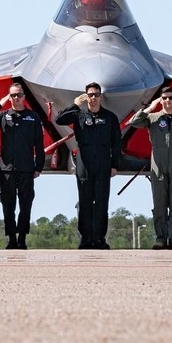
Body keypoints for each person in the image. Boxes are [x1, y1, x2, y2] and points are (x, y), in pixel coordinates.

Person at [54, 82, 122, 249]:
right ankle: (85, 238)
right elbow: (59, 120)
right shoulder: (79, 115)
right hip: (84, 162)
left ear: (100, 96)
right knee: (85, 201)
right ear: (86, 97)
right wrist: (75, 105)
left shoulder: (109, 117)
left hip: (103, 162)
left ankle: (99, 238)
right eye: (90, 95)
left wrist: (115, 165)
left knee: (101, 201)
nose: (93, 98)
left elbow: (117, 143)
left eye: (96, 94)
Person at [0, 82, 45, 249]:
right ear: (10, 97)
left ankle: (22, 238)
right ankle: (11, 239)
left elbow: (39, 144)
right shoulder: (2, 116)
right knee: (8, 205)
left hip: (26, 168)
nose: (16, 98)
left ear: (24, 97)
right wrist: (0, 103)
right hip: (7, 168)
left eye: (18, 95)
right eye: (13, 95)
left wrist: (39, 167)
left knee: (25, 204)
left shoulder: (33, 117)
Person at [130, 86, 172, 249]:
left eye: (170, 98)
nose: (167, 101)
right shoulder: (152, 118)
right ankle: (160, 237)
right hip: (157, 165)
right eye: (164, 98)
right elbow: (134, 122)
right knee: (159, 203)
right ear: (161, 100)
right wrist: (150, 108)